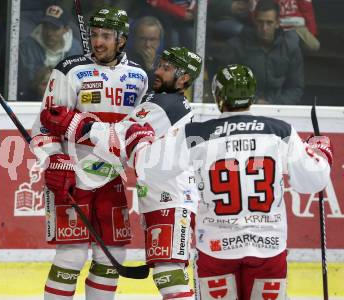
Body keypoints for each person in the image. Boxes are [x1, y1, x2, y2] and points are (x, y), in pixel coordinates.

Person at [129, 64, 332, 299]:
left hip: (216, 249)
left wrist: (139, 138)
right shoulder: (279, 131)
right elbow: (314, 180)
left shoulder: (196, 133)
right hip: (268, 248)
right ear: (252, 95)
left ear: (218, 96)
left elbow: (148, 168)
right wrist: (322, 150)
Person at [39, 46, 203, 300]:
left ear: (184, 79)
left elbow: (120, 137)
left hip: (172, 198)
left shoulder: (165, 104)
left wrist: (76, 124)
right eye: (159, 64)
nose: (157, 71)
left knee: (169, 273)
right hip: (162, 197)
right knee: (168, 272)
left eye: (167, 69)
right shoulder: (160, 99)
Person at [30, 6, 148, 300]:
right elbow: (43, 124)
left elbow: (141, 129)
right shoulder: (71, 69)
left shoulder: (138, 77)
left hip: (111, 178)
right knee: (70, 255)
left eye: (106, 36)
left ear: (122, 39)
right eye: (95, 35)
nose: (98, 42)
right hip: (73, 175)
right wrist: (53, 159)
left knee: (112, 255)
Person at [224, 0, 304, 105]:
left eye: (269, 23)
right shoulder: (237, 46)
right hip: (245, 109)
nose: (264, 28)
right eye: (260, 22)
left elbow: (296, 88)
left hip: (279, 109)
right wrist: (255, 101)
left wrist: (273, 104)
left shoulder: (290, 48)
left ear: (277, 23)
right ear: (254, 21)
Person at [18, 3, 82, 100]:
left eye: (55, 28)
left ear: (66, 29)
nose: (49, 33)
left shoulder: (76, 49)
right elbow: (22, 85)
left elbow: (78, 85)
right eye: (46, 26)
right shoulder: (27, 46)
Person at [251, 0, 320, 51]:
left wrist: (311, 31)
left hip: (297, 26)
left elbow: (307, 11)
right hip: (276, 26)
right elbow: (256, 12)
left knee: (314, 45)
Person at [127, 16, 164, 88]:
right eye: (142, 39)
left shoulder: (165, 65)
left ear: (159, 42)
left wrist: (150, 67)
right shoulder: (123, 61)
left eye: (152, 39)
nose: (147, 45)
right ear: (134, 39)